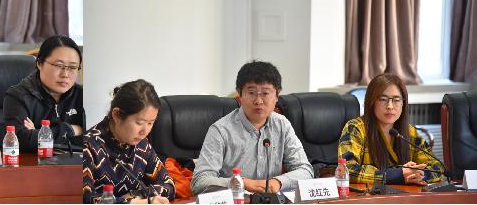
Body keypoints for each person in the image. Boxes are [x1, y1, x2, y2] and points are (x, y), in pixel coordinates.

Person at [192, 61, 313, 195]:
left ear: (277, 96)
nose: (258, 101)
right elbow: (199, 182)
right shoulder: (220, 131)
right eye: (251, 93)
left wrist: (278, 182)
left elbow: (305, 170)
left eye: (265, 93)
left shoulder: (282, 125)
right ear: (240, 96)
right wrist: (241, 183)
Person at [338, 73, 443, 186]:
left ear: (403, 104)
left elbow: (437, 167)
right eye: (383, 99)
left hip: (405, 195)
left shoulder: (410, 132)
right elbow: (346, 169)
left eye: (396, 100)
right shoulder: (355, 128)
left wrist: (417, 175)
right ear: (371, 102)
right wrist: (397, 175)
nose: (390, 106)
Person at [83, 79, 174, 203]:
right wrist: (130, 202)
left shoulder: (142, 145)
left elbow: (169, 185)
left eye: (150, 123)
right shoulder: (88, 147)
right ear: (116, 115)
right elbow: (85, 199)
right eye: (139, 123)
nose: (144, 131)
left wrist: (136, 195)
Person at [2, 36, 85, 152]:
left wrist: (38, 133)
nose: (65, 74)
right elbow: (20, 141)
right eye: (58, 65)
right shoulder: (18, 96)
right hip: (36, 162)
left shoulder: (83, 95)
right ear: (40, 63)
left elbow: (92, 138)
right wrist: (72, 130)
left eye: (72, 67)